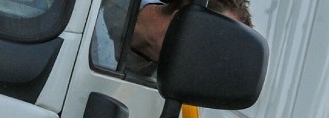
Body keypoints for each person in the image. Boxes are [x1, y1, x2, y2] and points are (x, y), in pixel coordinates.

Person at [92, 0, 252, 77]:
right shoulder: (99, 6)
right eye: (213, 42)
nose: (210, 62)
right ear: (184, 19)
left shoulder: (163, 83)